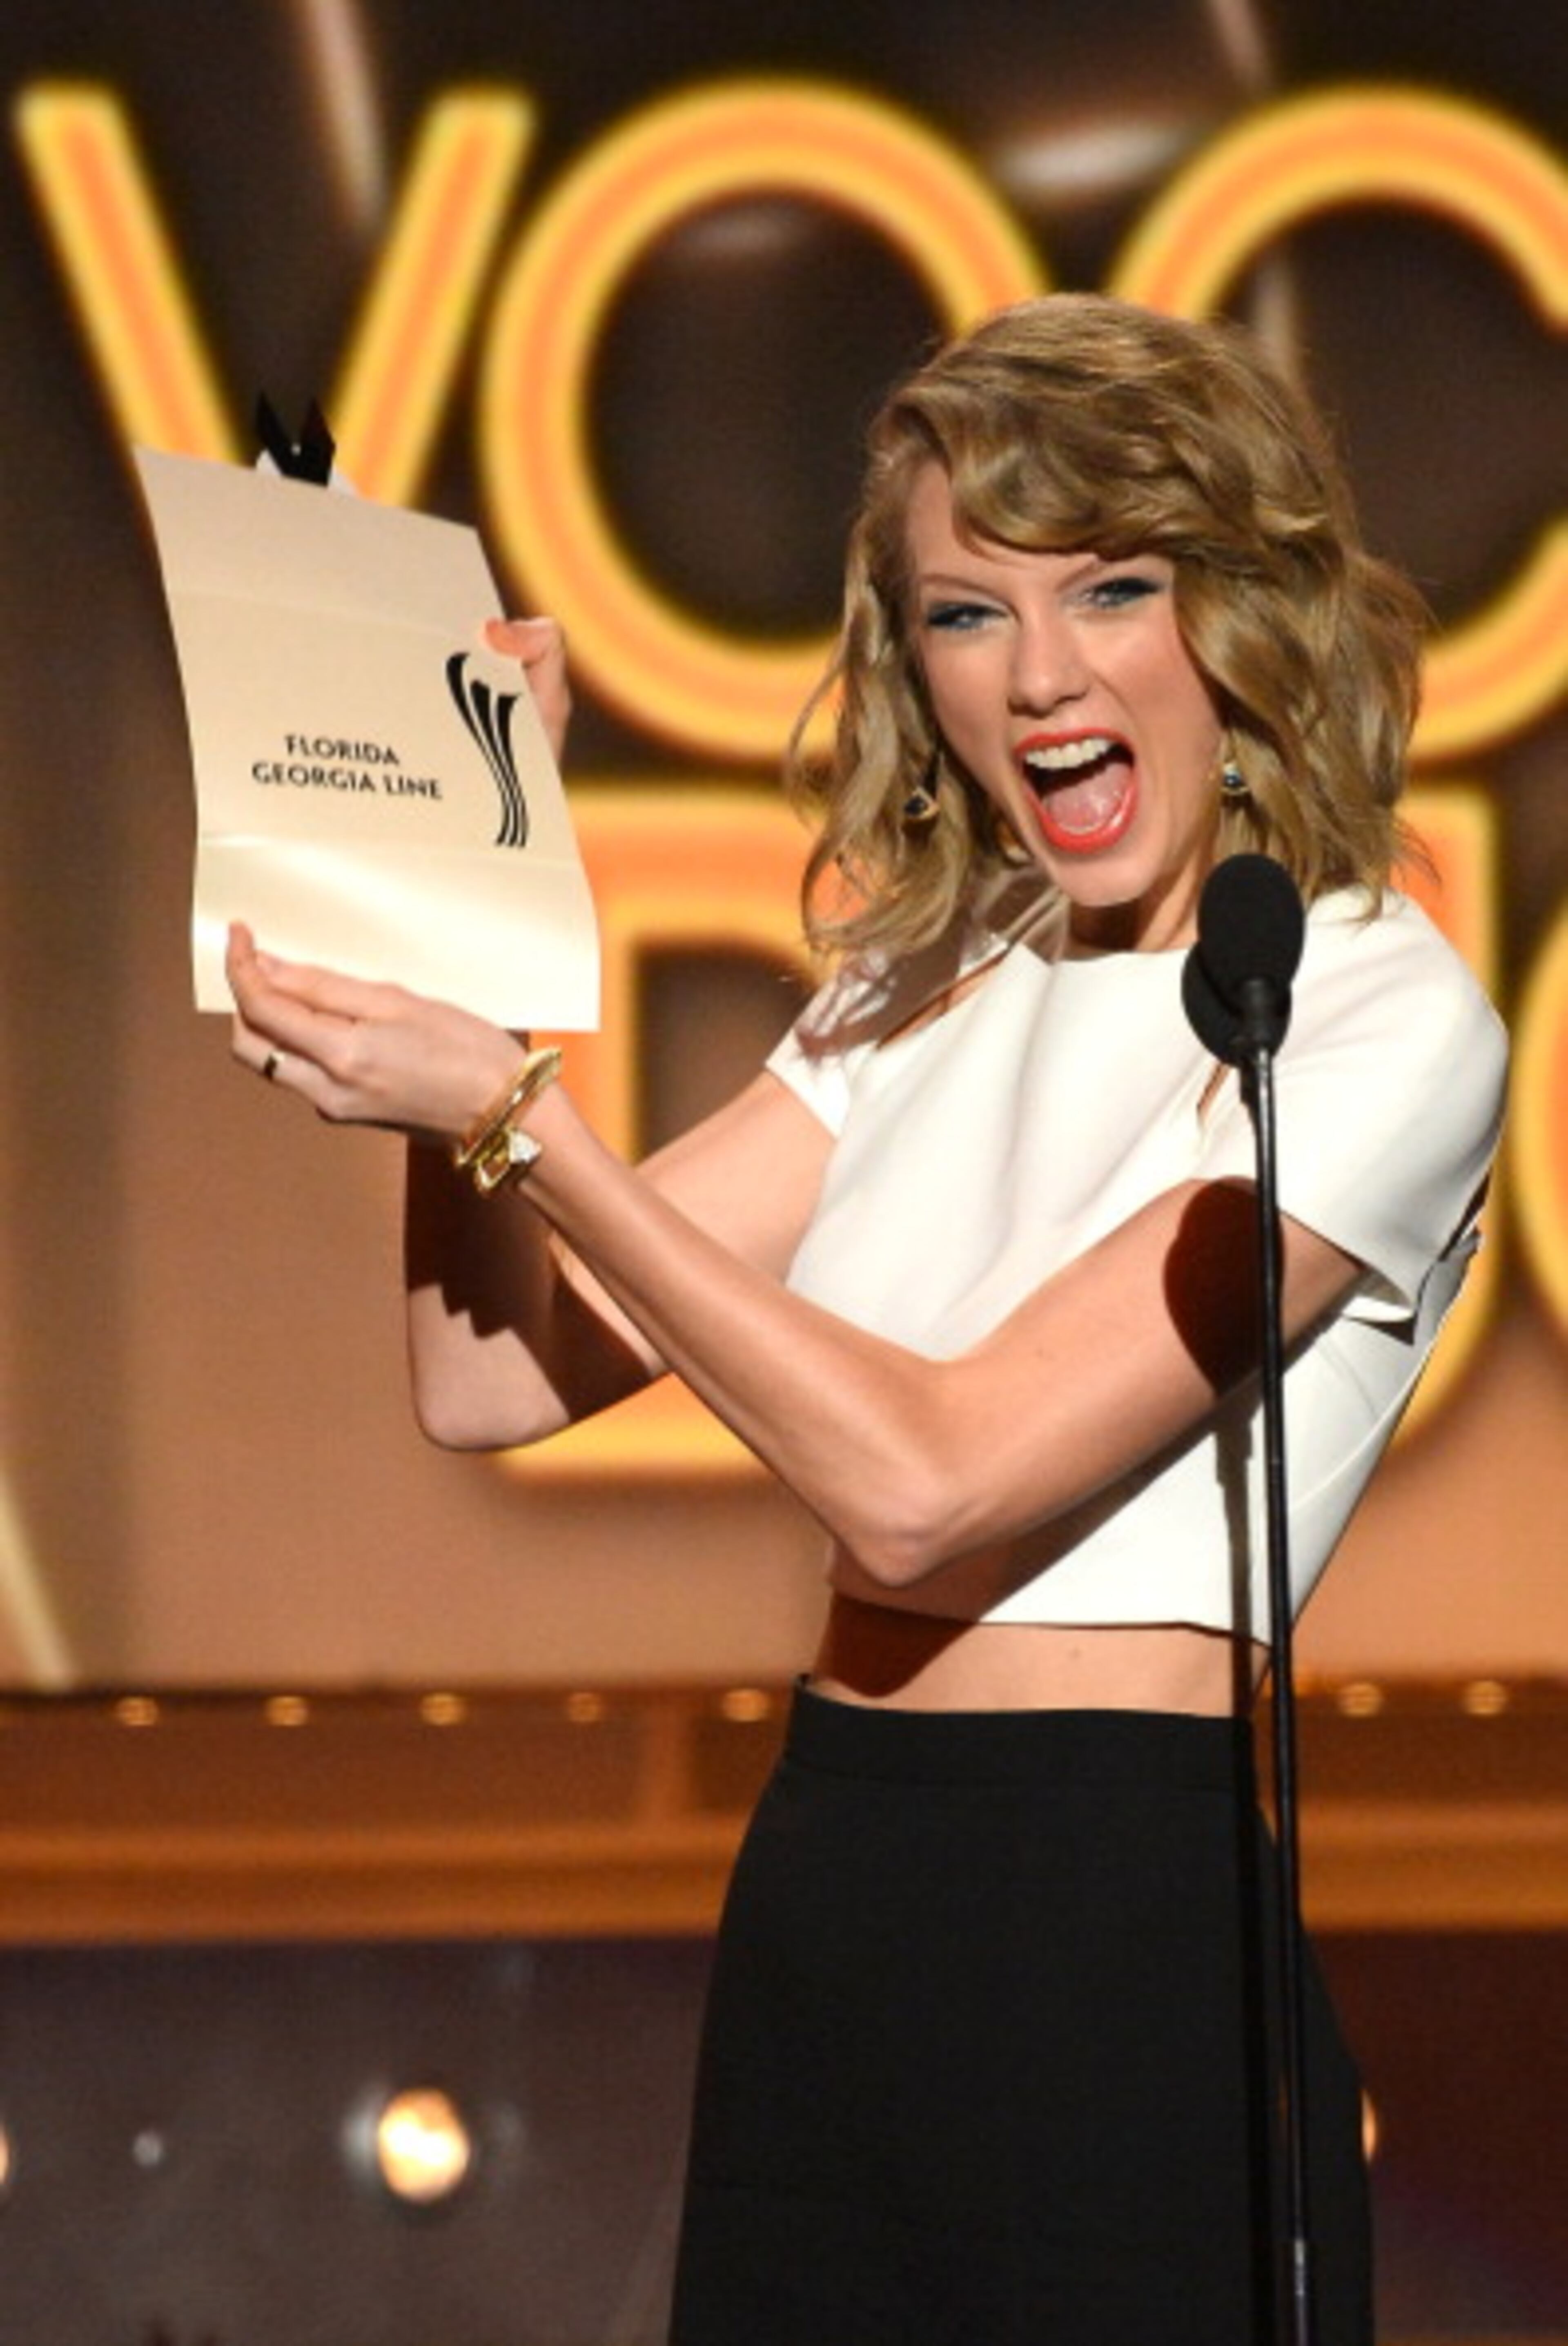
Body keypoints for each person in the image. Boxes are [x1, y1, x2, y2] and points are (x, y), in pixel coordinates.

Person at [228, 292, 1508, 2344]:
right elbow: (485, 1378)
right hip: (837, 1883)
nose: (1046, 673)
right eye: (965, 615)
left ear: (1244, 615)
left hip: (1115, 1922)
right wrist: (471, 912)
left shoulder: (1362, 1012)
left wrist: (518, 1116)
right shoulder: (919, 990)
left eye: (1114, 585)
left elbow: (927, 1491)